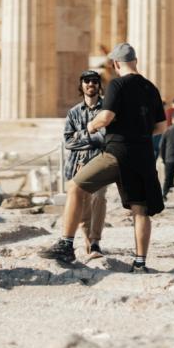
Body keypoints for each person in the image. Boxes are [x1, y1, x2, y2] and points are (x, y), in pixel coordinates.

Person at [40, 43, 166, 273]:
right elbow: (160, 127)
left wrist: (91, 125)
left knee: (75, 186)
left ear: (116, 64)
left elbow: (106, 117)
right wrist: (139, 132)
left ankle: (66, 245)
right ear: (135, 61)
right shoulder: (151, 88)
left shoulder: (117, 84)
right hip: (144, 156)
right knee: (141, 210)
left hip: (117, 153)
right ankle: (140, 263)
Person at [63, 70, 108, 258]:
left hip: (100, 161)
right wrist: (92, 136)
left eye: (95, 81)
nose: (91, 84)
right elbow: (68, 141)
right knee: (81, 204)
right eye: (87, 81)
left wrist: (81, 135)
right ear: (81, 85)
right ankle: (88, 242)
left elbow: (105, 138)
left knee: (99, 198)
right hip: (77, 164)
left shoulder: (107, 109)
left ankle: (96, 241)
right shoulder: (73, 112)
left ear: (99, 85)